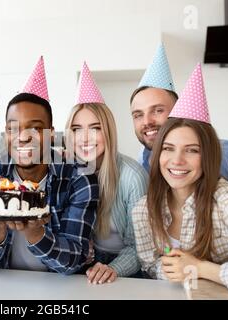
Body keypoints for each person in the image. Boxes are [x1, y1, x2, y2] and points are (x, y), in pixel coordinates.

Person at [132, 64, 228, 299]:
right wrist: (174, 265)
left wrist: (199, 268)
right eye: (168, 149)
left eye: (192, 150)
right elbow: (152, 264)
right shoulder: (144, 206)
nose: (177, 160)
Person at [0, 57, 99, 275]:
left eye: (35, 128)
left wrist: (36, 233)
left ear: (50, 132)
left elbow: (75, 259)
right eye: (13, 128)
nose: (23, 137)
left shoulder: (79, 177)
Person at [130, 44, 228, 225]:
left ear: (178, 113)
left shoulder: (226, 155)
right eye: (138, 114)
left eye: (157, 110)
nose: (147, 121)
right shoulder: (142, 165)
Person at [64, 62, 148, 284]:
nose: (85, 138)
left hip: (125, 268)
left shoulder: (133, 177)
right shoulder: (66, 174)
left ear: (108, 130)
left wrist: (113, 268)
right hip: (83, 267)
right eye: (76, 129)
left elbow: (141, 247)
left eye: (95, 127)